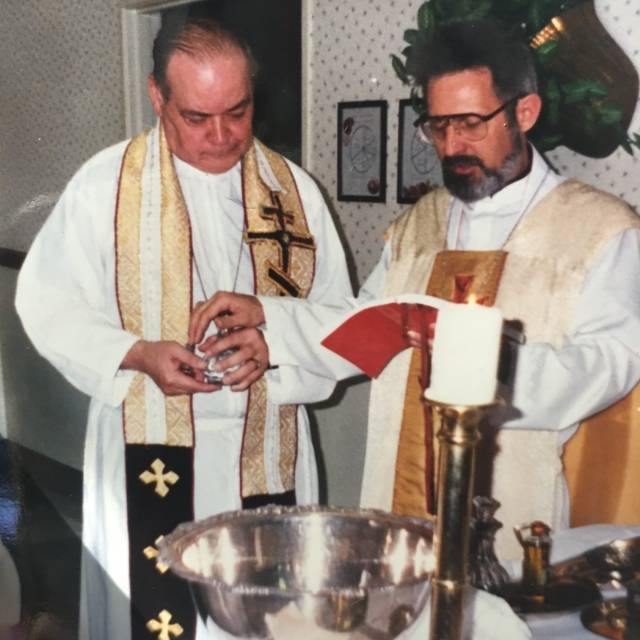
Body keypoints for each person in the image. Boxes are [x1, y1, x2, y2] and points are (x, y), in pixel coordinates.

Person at [192, 19, 640, 561]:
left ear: (525, 112)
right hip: (398, 490)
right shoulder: (419, 224)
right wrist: (272, 326)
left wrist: (482, 365)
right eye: (438, 125)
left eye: (471, 123)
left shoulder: (598, 229)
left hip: (513, 500)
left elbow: (612, 362)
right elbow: (366, 324)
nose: (452, 145)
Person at [15, 16, 351, 640]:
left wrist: (277, 344)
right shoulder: (105, 187)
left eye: (237, 111)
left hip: (267, 453)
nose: (221, 135)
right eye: (196, 117)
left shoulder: (294, 192)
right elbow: (45, 301)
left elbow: (343, 323)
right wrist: (136, 353)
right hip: (146, 443)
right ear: (156, 96)